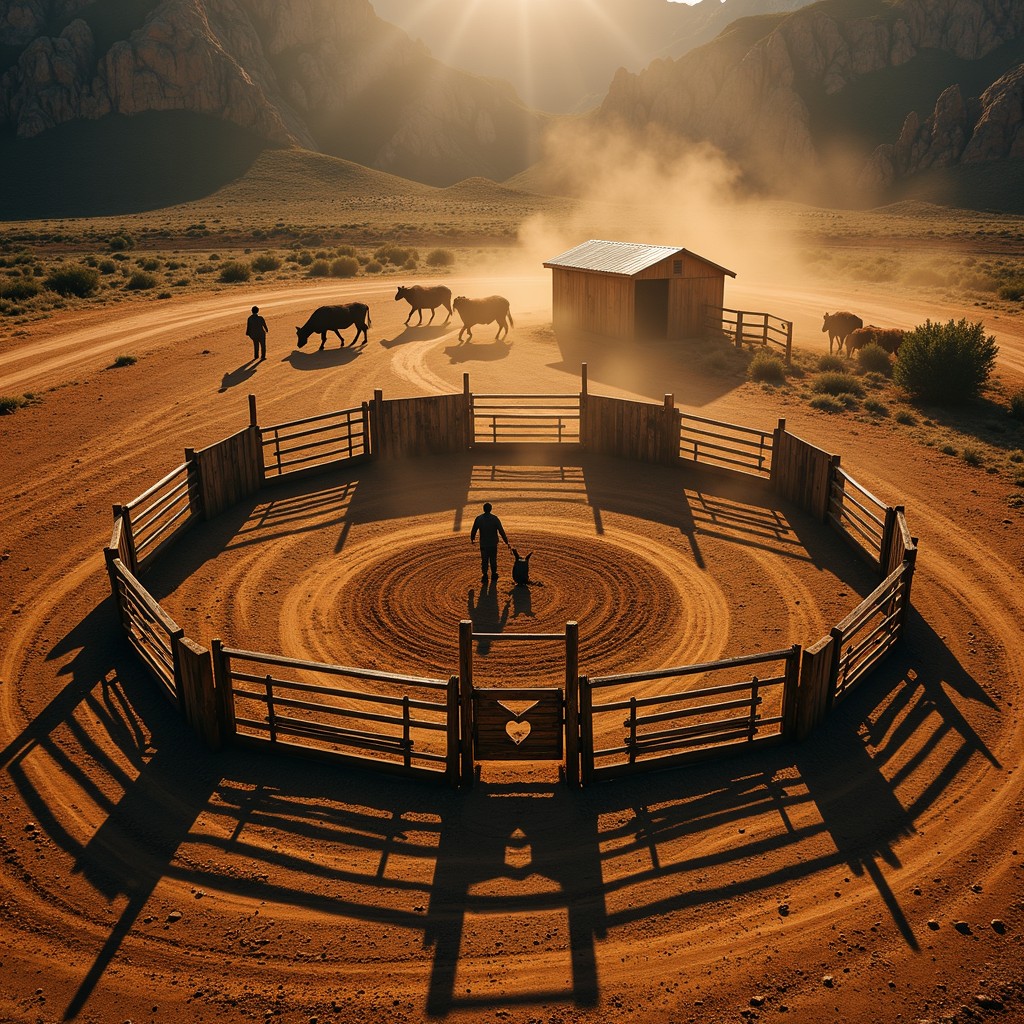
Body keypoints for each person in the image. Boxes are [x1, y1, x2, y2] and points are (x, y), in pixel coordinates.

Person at [470, 501, 509, 583]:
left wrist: (472, 538)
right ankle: (494, 574)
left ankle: (485, 575)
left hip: (483, 544)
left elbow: (474, 530)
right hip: (493, 543)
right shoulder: (495, 519)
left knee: (484, 560)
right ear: (491, 509)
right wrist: (506, 541)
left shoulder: (479, 519)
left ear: (483, 509)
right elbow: (501, 531)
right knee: (493, 559)